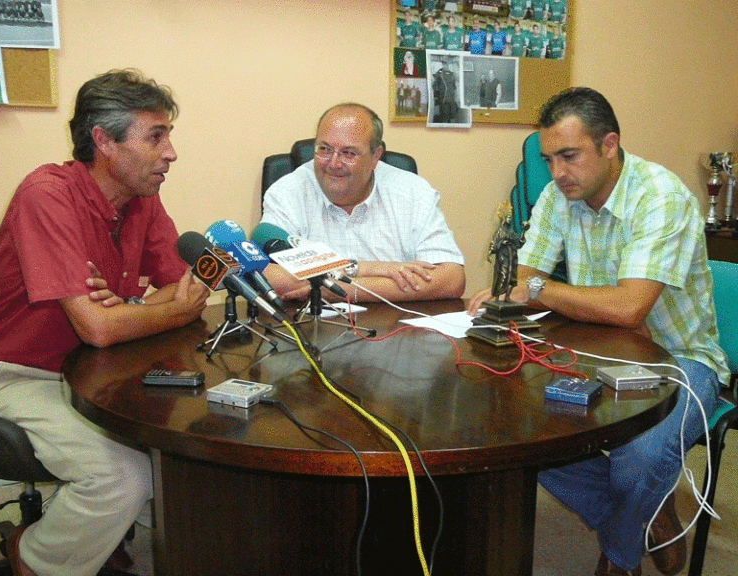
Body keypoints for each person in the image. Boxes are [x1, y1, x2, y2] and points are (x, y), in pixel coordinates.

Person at [467, 87, 728, 576]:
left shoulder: (660, 196)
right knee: (510, 434)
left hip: (681, 358)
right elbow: (525, 280)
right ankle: (646, 513)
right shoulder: (556, 195)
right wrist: (529, 290)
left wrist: (539, 289)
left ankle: (619, 555)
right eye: (548, 159)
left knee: (640, 456)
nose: (557, 172)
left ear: (609, 145)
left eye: (569, 156)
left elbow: (628, 307)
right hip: (594, 350)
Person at [0, 69, 209, 576]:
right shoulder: (46, 194)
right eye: (155, 136)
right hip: (14, 373)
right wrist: (130, 315)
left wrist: (132, 311)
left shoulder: (141, 195)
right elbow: (99, 329)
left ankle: (100, 543)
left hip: (100, 369)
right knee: (123, 477)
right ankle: (33, 558)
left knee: (196, 441)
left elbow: (186, 288)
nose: (171, 153)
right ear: (103, 140)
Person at [260, 103, 465, 303]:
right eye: (324, 149)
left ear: (376, 157)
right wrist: (369, 269)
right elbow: (267, 275)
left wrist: (341, 290)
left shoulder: (412, 192)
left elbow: (451, 279)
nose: (333, 163)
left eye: (348, 153)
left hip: (396, 329)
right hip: (310, 327)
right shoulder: (287, 192)